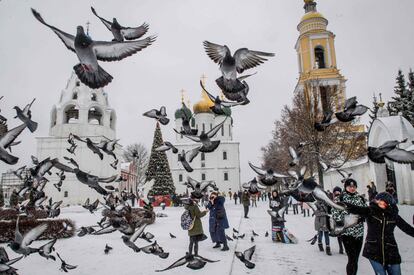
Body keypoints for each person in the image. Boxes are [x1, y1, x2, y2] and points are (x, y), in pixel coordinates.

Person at [346, 192, 414, 275]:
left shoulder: (393, 215)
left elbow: (407, 228)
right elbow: (356, 208)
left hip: (391, 251)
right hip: (373, 250)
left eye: (382, 202)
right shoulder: (370, 211)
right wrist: (344, 205)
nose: (378, 203)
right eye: (378, 201)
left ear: (388, 204)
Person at [331, 178, 366, 275]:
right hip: (347, 233)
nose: (352, 188)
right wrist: (348, 219)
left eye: (354, 186)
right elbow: (335, 214)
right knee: (352, 258)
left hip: (359, 233)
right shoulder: (340, 198)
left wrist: (363, 217)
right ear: (345, 187)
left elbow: (366, 211)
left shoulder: (360, 198)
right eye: (349, 186)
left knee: (356, 259)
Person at [332, 186, 344, 254]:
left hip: (339, 219)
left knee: (339, 235)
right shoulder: (344, 198)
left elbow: (333, 210)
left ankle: (341, 248)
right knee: (343, 234)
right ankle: (343, 247)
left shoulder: (335, 199)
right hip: (345, 219)